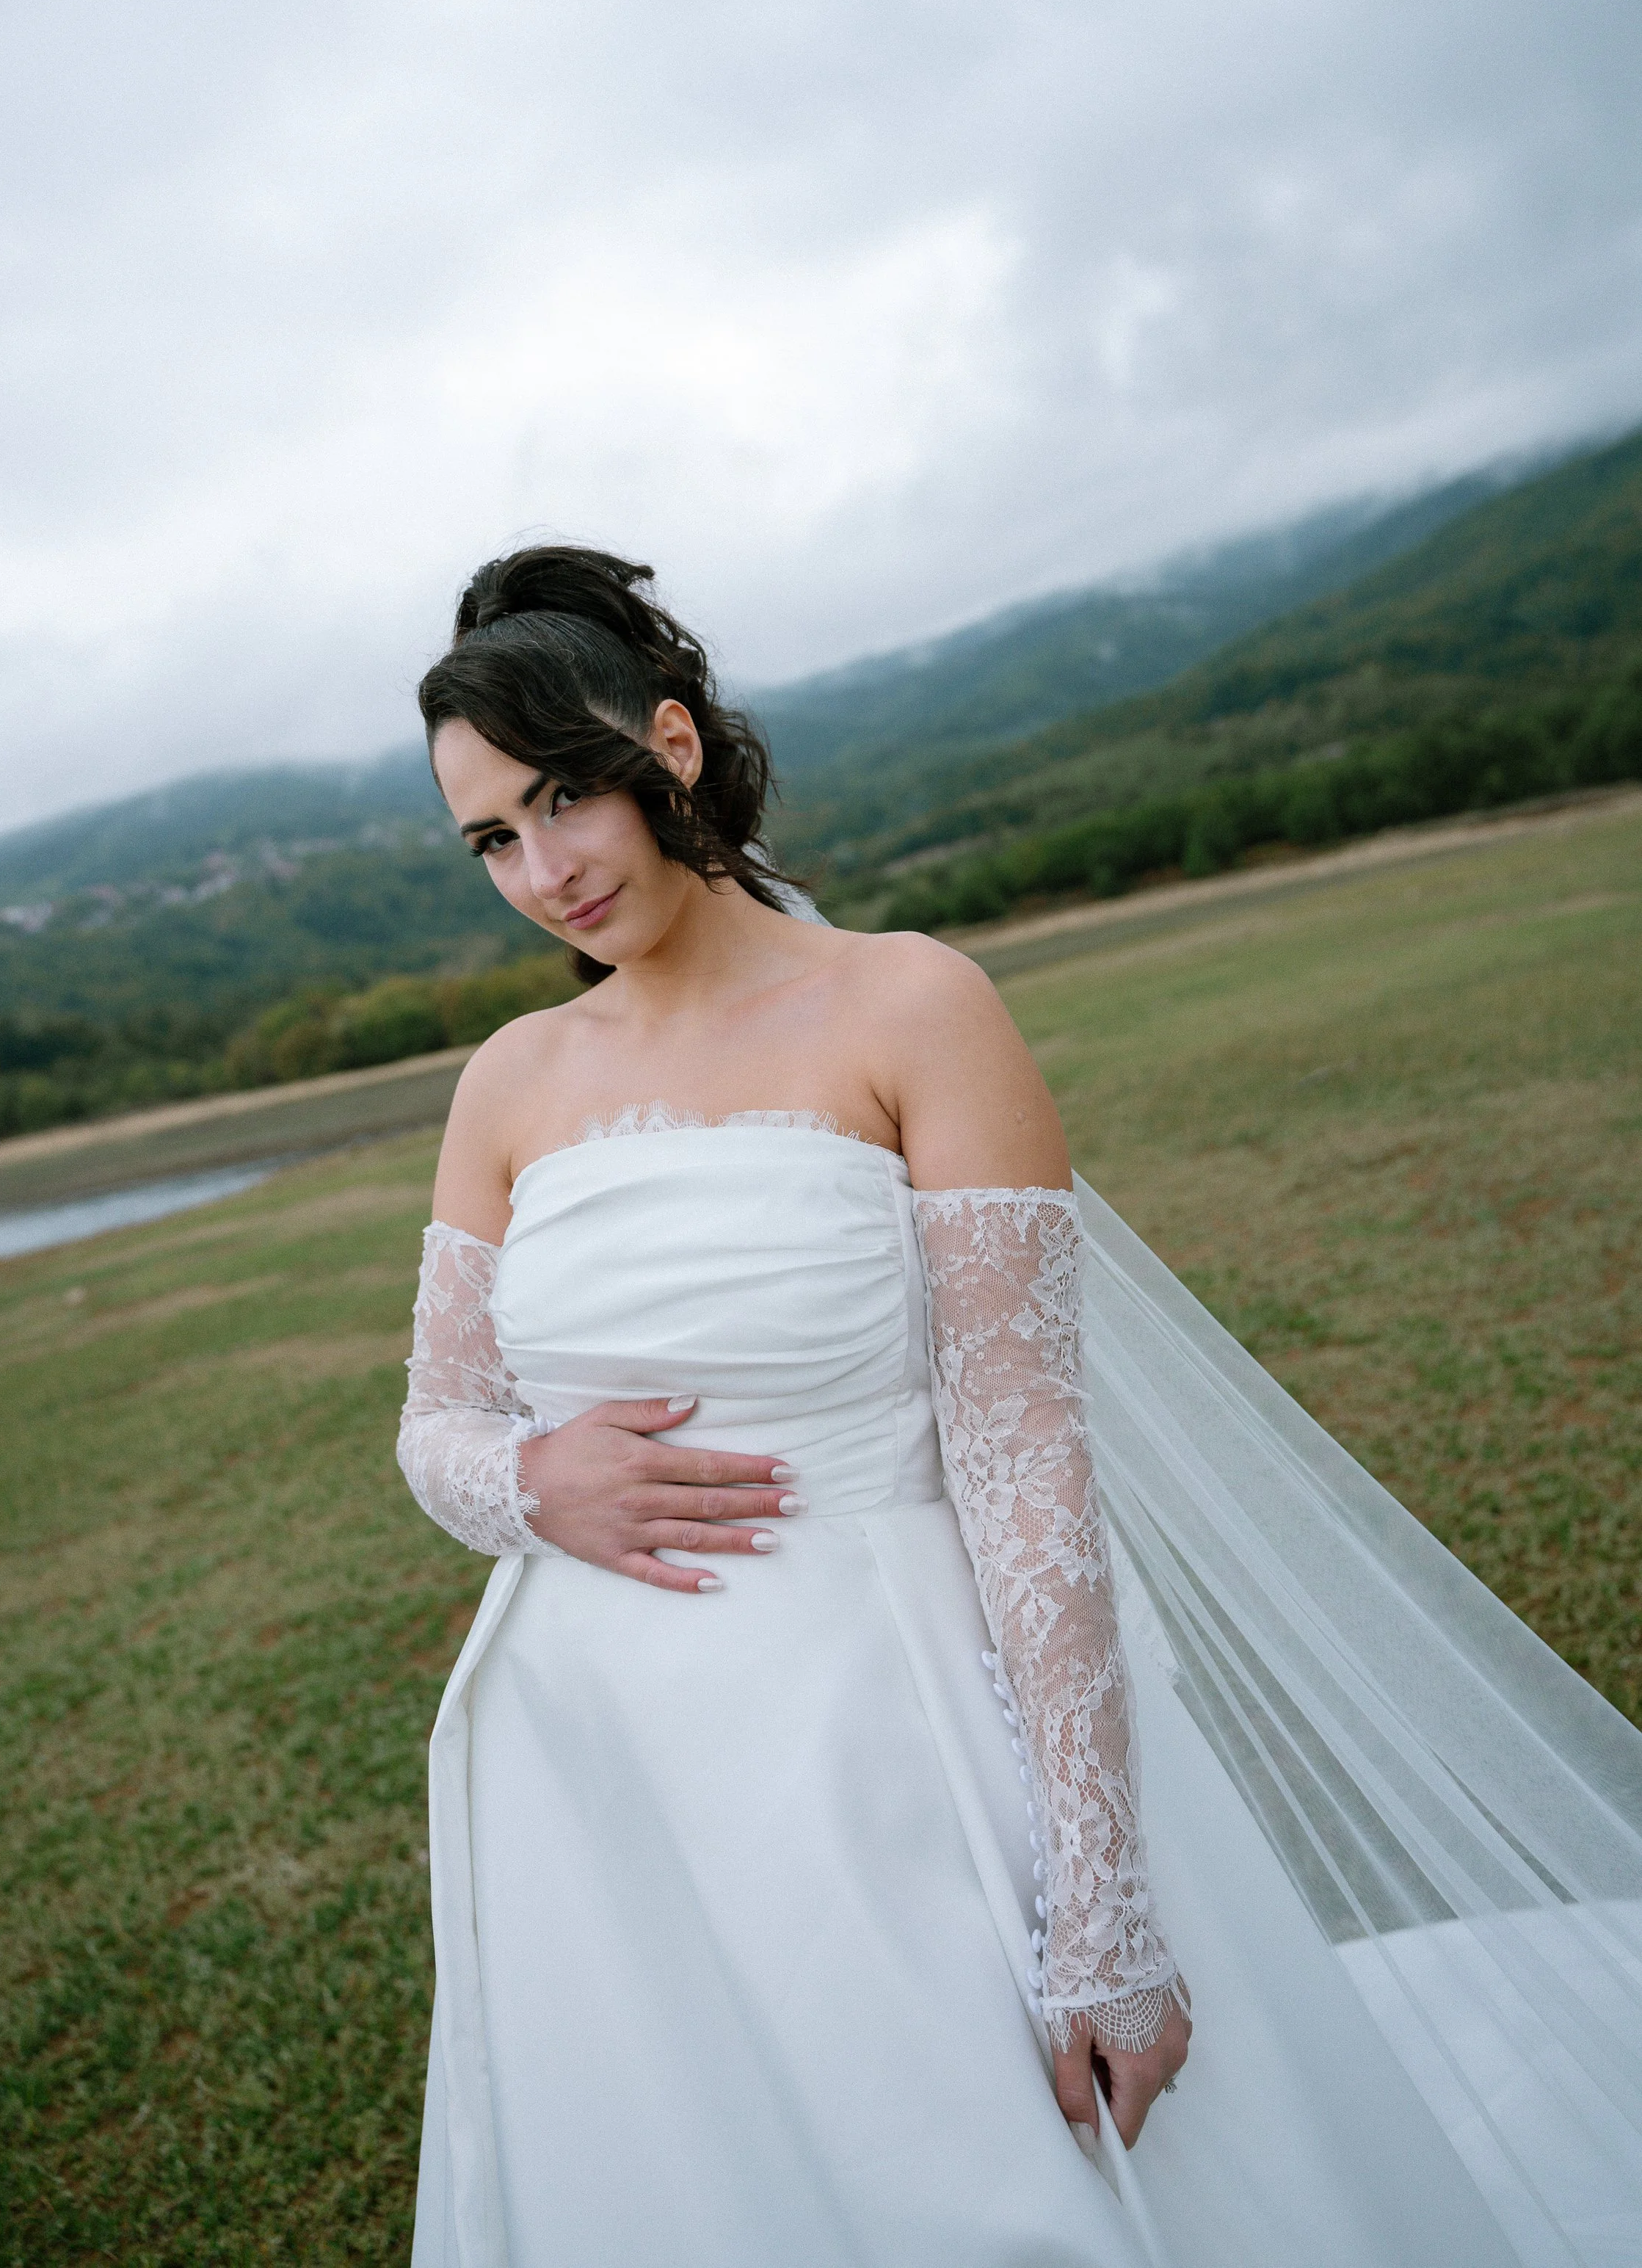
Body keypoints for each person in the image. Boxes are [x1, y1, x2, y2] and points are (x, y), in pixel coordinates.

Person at [396, 547, 1623, 2268]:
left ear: (666, 745)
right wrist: (527, 1480)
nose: (540, 871)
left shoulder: (907, 1004)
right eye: (490, 841)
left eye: (559, 801)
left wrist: (1101, 1902)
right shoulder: (505, 1084)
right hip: (598, 1765)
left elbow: (1023, 1450)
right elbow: (434, 1423)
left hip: (890, 1729)